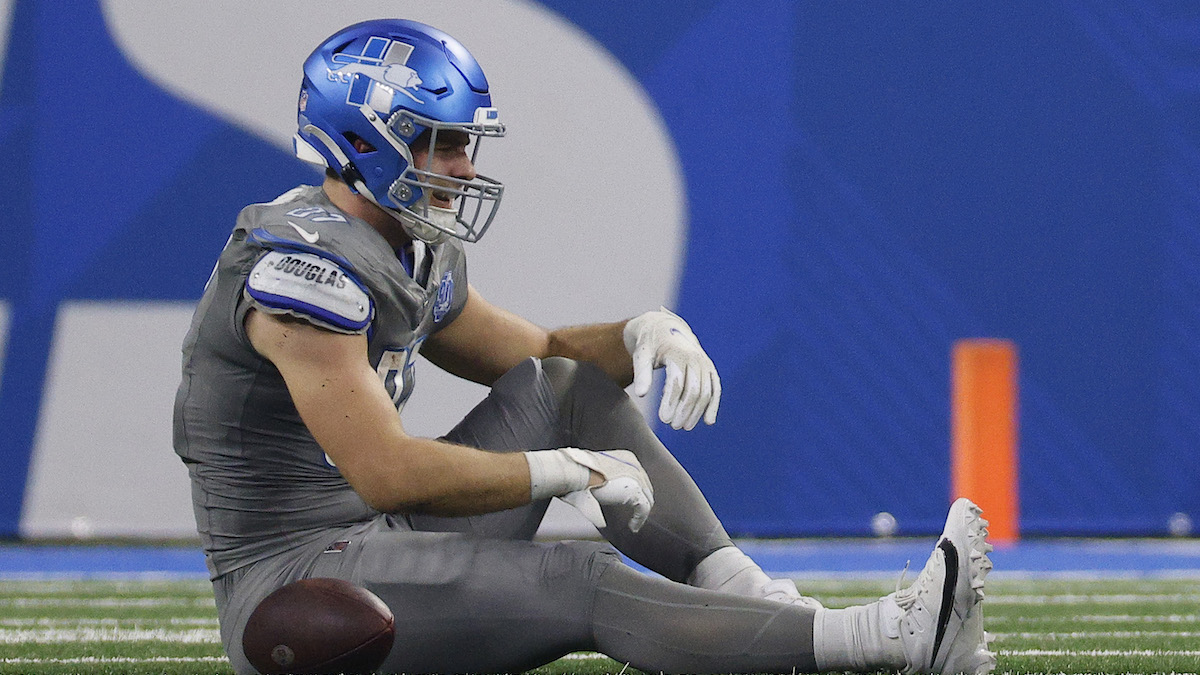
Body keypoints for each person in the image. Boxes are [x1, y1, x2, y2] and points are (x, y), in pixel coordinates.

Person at [173, 18, 995, 675]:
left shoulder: (404, 246)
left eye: (464, 143)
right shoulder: (304, 270)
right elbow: (385, 469)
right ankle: (883, 638)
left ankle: (758, 598)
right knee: (580, 577)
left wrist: (640, 334)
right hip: (298, 579)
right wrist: (566, 470)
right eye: (441, 142)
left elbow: (539, 354)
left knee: (564, 384)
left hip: (377, 533)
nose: (464, 167)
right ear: (364, 141)